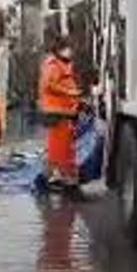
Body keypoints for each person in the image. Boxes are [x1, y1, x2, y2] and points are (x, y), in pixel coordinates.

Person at [39, 36, 82, 189]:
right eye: (68, 48)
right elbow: (49, 85)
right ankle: (56, 176)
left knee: (63, 146)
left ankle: (62, 176)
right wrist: (70, 93)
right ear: (60, 49)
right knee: (59, 147)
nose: (70, 52)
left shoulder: (61, 64)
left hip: (63, 111)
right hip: (57, 112)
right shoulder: (54, 65)